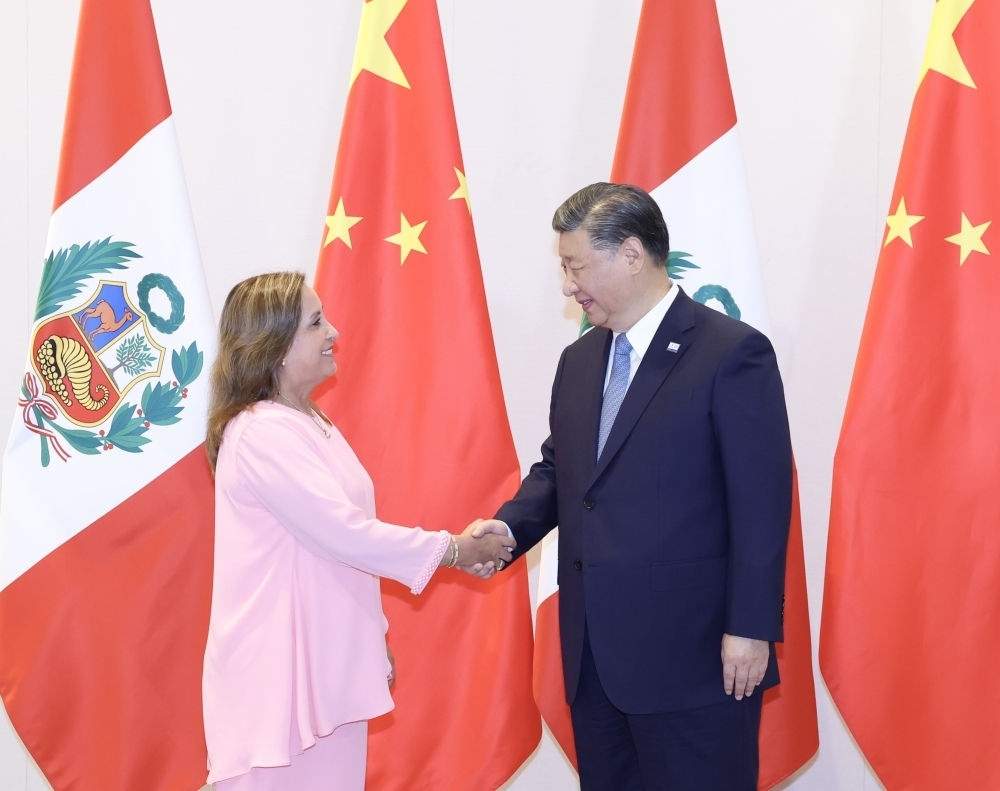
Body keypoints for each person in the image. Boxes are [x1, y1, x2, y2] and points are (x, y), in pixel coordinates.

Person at [476, 183, 792, 789]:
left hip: (697, 660)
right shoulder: (579, 362)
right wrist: (508, 529)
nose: (567, 286)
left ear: (629, 254)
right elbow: (564, 470)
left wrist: (751, 627)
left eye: (575, 266)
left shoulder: (731, 353)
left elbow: (762, 503)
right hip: (596, 659)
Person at [201, 271, 513, 790]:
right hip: (277, 680)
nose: (334, 332)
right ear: (275, 347)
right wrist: (454, 550)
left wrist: (373, 634)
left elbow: (344, 548)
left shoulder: (310, 421)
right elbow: (345, 534)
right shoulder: (260, 432)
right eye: (315, 323)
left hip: (327, 669)